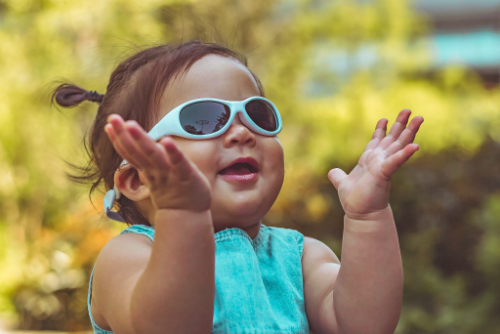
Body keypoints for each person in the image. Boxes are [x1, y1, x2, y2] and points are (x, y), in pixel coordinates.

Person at [52, 41, 423, 334]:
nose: (243, 132)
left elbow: (364, 325)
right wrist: (183, 215)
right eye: (204, 119)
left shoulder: (299, 258)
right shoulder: (128, 256)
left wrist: (367, 216)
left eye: (257, 114)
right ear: (137, 179)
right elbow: (169, 326)